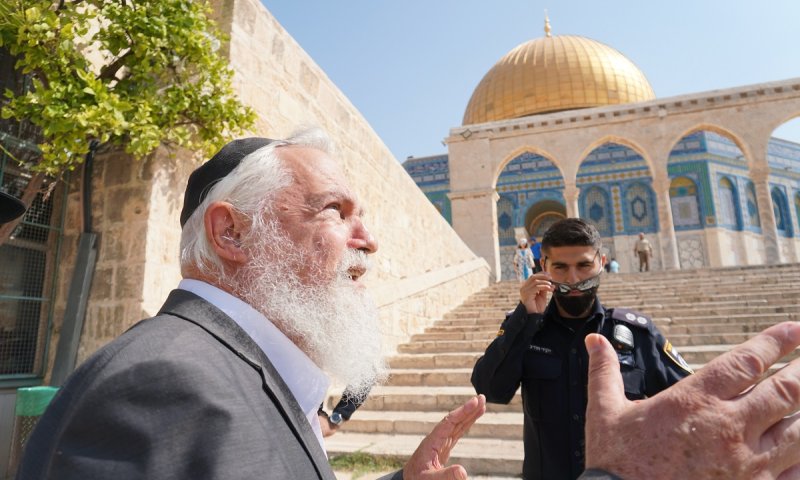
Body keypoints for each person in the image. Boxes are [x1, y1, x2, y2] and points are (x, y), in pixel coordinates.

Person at [16, 130, 800, 480]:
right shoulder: (166, 386)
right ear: (231, 233)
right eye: (335, 211)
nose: (371, 241)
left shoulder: (231, 377)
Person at [471, 218, 693, 480]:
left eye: (584, 265)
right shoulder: (526, 329)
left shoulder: (636, 334)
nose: (573, 279)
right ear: (544, 267)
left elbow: (690, 405)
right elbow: (489, 390)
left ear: (601, 262)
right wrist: (524, 318)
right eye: (561, 268)